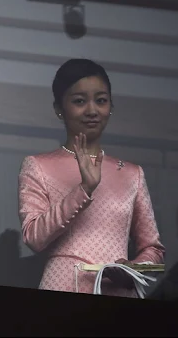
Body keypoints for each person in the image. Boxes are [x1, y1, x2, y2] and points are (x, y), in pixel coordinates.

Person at [18, 58, 165, 297]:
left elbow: (153, 248)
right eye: (79, 101)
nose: (92, 110)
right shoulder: (38, 166)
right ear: (59, 108)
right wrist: (84, 189)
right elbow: (34, 238)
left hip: (117, 294)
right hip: (63, 286)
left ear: (111, 107)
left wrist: (133, 269)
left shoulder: (131, 173)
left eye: (101, 100)